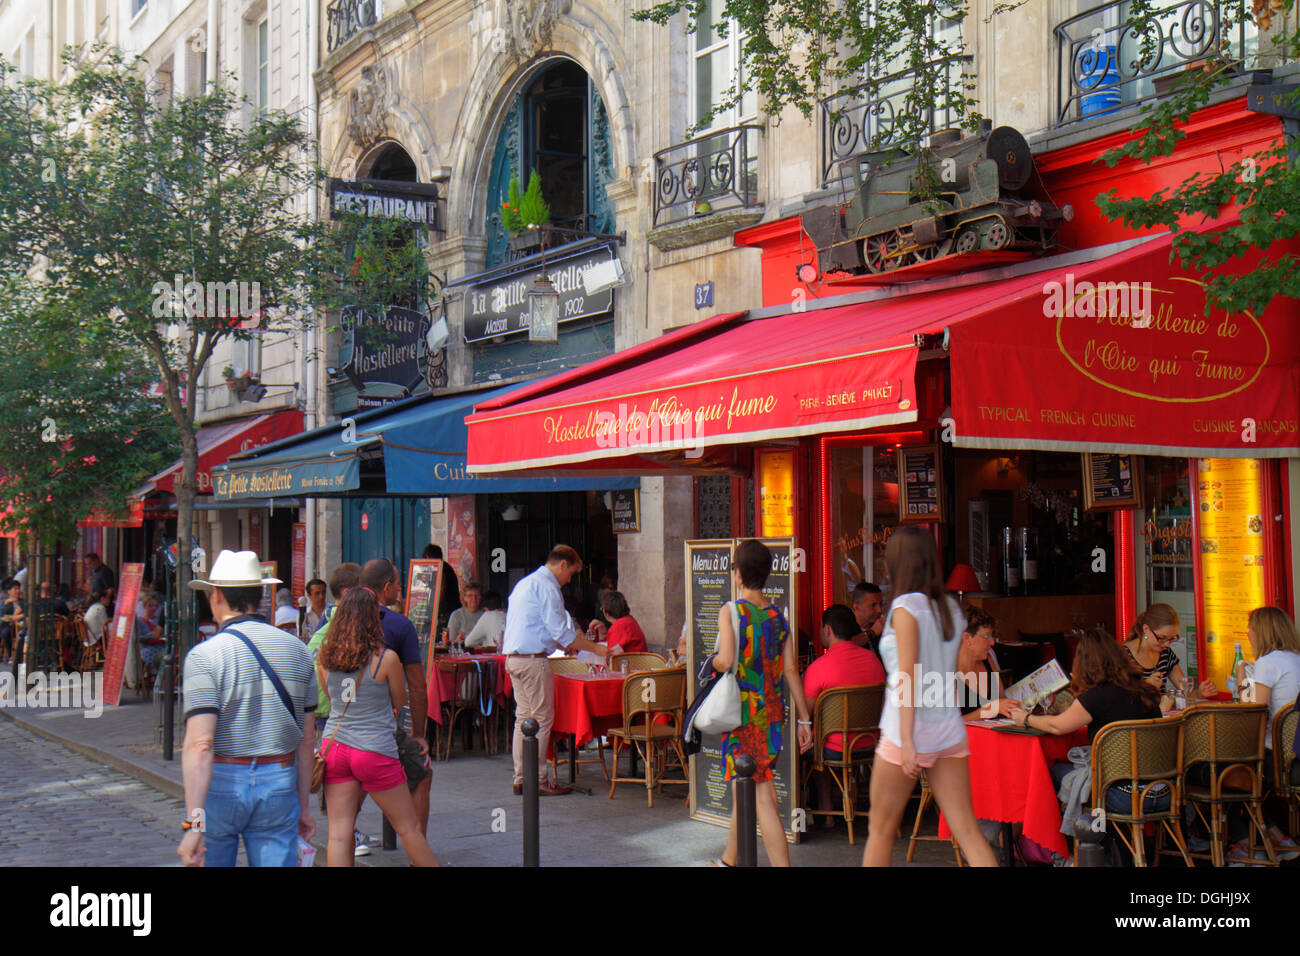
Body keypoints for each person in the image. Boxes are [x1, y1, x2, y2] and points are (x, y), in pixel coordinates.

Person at [862, 525, 998, 867]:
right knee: (967, 829)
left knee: (880, 829)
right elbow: (947, 669)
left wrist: (908, 740)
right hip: (947, 726)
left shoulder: (906, 608)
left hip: (905, 727)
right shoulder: (951, 609)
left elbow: (907, 675)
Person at [177, 550, 317, 867]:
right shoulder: (298, 651)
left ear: (216, 596)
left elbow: (200, 745)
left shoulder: (204, 656)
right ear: (260, 595)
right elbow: (307, 739)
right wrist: (303, 806)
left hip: (223, 780)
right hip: (279, 780)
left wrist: (193, 826)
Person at [317, 587, 441, 866]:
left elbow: (329, 695)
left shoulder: (325, 657)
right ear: (373, 619)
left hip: (334, 747)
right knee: (409, 828)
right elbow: (400, 699)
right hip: (374, 748)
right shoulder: (386, 658)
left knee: (338, 834)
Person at [708, 540, 811, 866]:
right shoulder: (778, 618)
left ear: (737, 574)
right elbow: (792, 670)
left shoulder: (731, 611)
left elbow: (725, 660)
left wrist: (711, 664)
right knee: (746, 790)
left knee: (763, 797)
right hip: (772, 716)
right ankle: (729, 860)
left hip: (742, 716)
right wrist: (804, 719)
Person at [503, 545, 609, 796]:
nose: (569, 580)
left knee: (524, 720)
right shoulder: (548, 586)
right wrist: (595, 648)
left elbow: (550, 630)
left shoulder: (526, 583)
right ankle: (537, 779)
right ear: (562, 565)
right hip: (533, 660)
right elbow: (560, 632)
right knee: (541, 719)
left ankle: (521, 776)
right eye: (571, 573)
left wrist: (568, 643)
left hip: (515, 658)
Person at [359, 558, 432, 834]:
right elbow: (416, 687)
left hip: (339, 735)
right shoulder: (399, 626)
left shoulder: (337, 620)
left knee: (341, 827)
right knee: (422, 773)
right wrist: (419, 735)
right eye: (398, 585)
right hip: (381, 731)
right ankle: (418, 853)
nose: (400, 590)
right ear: (386, 587)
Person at [802, 603, 886, 826]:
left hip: (834, 748)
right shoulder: (874, 662)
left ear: (827, 630)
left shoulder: (818, 667)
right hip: (870, 742)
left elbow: (805, 713)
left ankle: (826, 811)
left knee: (816, 738)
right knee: (821, 736)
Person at [1231, 606, 1300, 860]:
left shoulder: (1267, 662)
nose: (1248, 634)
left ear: (1260, 632)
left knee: (1225, 773)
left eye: (1250, 629)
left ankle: (1256, 840)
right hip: (1296, 752)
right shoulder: (1296, 658)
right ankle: (1270, 836)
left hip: (1278, 757)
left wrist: (1241, 679)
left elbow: (1254, 711)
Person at [1123, 603, 1217, 700]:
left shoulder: (1165, 653)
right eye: (1161, 638)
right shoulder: (1123, 655)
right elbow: (1117, 699)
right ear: (1146, 629)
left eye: (1172, 639)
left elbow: (1184, 691)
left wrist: (1199, 693)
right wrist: (1145, 686)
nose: (1167, 644)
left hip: (1160, 713)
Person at [956, 606, 1016, 721]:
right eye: (987, 636)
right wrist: (990, 709)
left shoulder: (987, 660)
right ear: (967, 638)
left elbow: (1002, 700)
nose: (992, 642)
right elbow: (950, 725)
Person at [423, 543, 461, 637]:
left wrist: (434, 609)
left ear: (428, 557)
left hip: (445, 612)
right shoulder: (445, 567)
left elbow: (441, 589)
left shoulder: (441, 569)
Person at [599, 591, 647, 656]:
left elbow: (609, 655)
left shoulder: (620, 626)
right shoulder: (629, 620)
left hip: (630, 664)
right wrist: (603, 635)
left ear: (605, 612)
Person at [446, 582, 485, 647]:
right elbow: (451, 641)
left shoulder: (485, 615)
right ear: (464, 598)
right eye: (470, 596)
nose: (474, 599)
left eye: (477, 595)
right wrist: (458, 640)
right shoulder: (456, 615)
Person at [850, 581, 885, 653]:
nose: (879, 610)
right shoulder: (845, 628)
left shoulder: (882, 629)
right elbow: (844, 647)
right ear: (856, 606)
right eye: (873, 605)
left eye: (881, 604)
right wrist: (872, 632)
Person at [1, 578, 24, 666]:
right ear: (8, 591)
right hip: (8, 625)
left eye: (19, 588)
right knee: (6, 632)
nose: (18, 591)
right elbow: (3, 615)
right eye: (15, 589)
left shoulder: (22, 602)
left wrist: (18, 602)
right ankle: (11, 655)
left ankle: (21, 655)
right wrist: (7, 604)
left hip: (20, 624)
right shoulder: (4, 602)